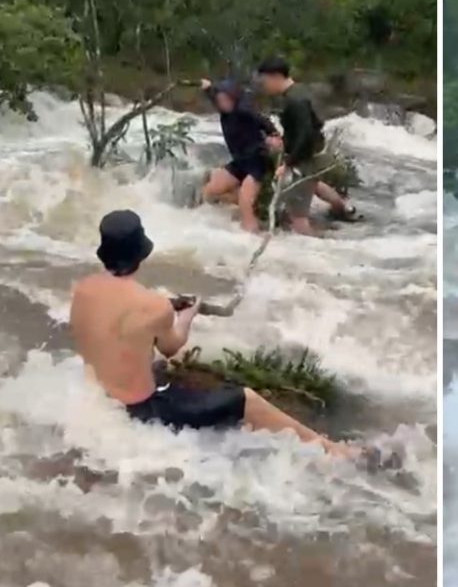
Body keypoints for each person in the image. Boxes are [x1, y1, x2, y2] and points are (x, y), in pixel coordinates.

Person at [69, 210, 353, 456]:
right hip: (142, 412)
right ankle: (333, 451)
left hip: (103, 398)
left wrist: (166, 309)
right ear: (140, 255)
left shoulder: (83, 290)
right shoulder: (153, 305)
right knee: (246, 399)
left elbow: (116, 323)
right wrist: (187, 316)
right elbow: (172, 346)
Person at [255, 57, 357, 236]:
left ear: (276, 77)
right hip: (315, 153)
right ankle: (343, 209)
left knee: (297, 218)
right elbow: (312, 125)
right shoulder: (300, 91)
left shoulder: (295, 101)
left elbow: (305, 134)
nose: (264, 86)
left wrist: (288, 163)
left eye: (264, 81)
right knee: (313, 183)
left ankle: (318, 254)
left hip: (304, 159)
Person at [199, 79, 282, 233]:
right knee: (209, 191)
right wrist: (208, 88)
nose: (223, 103)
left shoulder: (244, 111)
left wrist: (273, 136)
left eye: (226, 100)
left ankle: (251, 236)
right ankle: (228, 214)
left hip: (257, 162)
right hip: (240, 161)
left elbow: (264, 122)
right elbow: (214, 95)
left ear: (234, 98)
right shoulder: (222, 110)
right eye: (220, 100)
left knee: (245, 203)